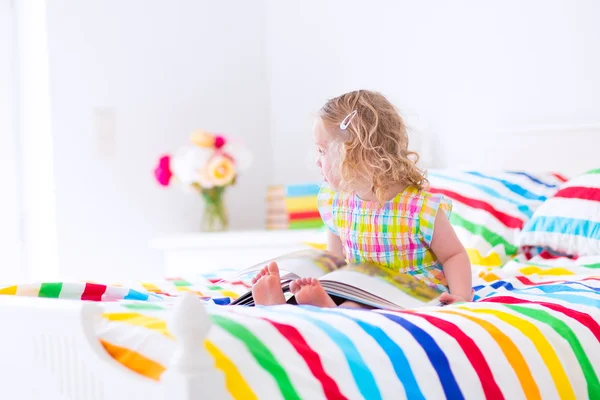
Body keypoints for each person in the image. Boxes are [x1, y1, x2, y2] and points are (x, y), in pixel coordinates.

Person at [252, 90, 472, 308]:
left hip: (411, 293)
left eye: (322, 150)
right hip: (361, 288)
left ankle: (327, 309)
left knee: (356, 307)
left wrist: (460, 295)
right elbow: (336, 262)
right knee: (329, 294)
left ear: (354, 154)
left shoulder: (420, 209)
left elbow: (454, 255)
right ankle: (284, 305)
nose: (318, 161)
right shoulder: (336, 203)